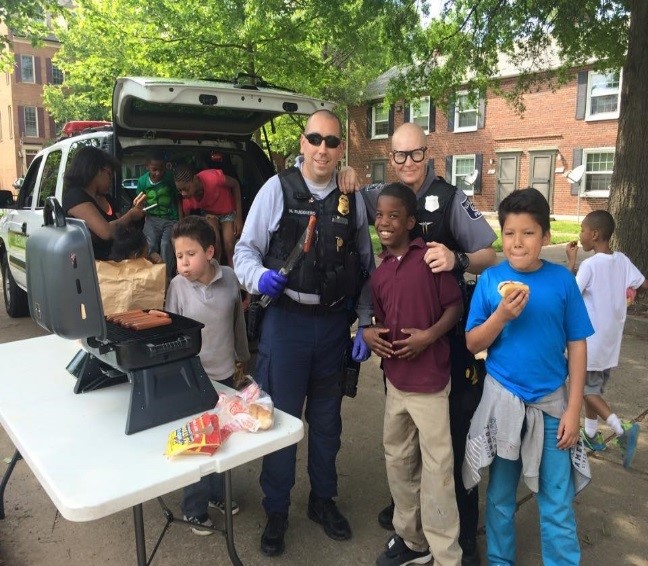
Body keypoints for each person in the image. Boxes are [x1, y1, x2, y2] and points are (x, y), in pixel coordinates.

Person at [343, 122, 496, 565]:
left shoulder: (450, 198)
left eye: (415, 154)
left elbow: (490, 253)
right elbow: (341, 186)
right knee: (403, 451)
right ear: (389, 158)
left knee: (449, 449)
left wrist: (458, 258)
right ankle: (413, 537)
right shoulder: (382, 197)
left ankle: (460, 545)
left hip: (446, 348)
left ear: (428, 154)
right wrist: (345, 173)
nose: (407, 163)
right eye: (398, 155)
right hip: (400, 360)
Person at [233, 109, 374, 557]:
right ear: (302, 143)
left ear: (340, 151)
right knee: (279, 419)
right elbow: (243, 251)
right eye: (315, 139)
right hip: (286, 324)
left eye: (332, 143)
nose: (323, 149)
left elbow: (369, 268)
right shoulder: (276, 190)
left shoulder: (353, 198)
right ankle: (277, 508)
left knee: (328, 424)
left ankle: (322, 499)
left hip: (334, 327)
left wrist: (365, 322)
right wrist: (258, 279)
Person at [462, 188, 594, 566]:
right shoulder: (490, 280)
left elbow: (578, 346)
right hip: (503, 401)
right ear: (501, 236)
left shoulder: (562, 282)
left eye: (528, 233)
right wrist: (501, 316)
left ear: (546, 237)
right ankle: (500, 560)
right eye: (509, 233)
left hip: (553, 406)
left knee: (556, 498)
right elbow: (472, 343)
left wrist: (574, 409)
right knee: (501, 495)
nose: (517, 242)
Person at [368, 182, 464, 566]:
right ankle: (412, 539)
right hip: (396, 384)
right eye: (380, 215)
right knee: (398, 461)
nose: (385, 222)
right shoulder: (380, 272)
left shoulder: (429, 260)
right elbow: (379, 317)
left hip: (430, 384)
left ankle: (446, 555)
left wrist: (428, 337)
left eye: (394, 215)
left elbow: (454, 308)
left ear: (410, 221)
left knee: (438, 470)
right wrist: (370, 333)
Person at [165, 215, 250, 535]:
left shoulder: (229, 277)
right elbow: (171, 332)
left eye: (190, 254)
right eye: (179, 256)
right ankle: (193, 508)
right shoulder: (176, 286)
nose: (184, 263)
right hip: (193, 379)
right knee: (198, 442)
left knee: (221, 438)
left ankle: (216, 495)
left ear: (210, 252)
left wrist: (243, 359)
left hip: (226, 375)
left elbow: (237, 321)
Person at [566, 210, 646, 468]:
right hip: (611, 343)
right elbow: (642, 283)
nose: (581, 235)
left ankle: (621, 428)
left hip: (590, 343)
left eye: (583, 231)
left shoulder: (589, 265)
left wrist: (570, 264)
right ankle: (590, 435)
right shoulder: (621, 260)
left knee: (586, 390)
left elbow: (570, 294)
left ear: (595, 234)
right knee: (594, 389)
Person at [62, 146, 146, 260]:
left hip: (118, 262)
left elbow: (122, 230)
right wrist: (130, 215)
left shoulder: (107, 198)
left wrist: (136, 214)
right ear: (96, 170)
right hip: (95, 267)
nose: (111, 181)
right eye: (109, 174)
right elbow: (106, 232)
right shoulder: (75, 197)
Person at [173, 164, 243, 268]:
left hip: (227, 211)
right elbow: (184, 222)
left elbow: (235, 184)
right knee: (214, 245)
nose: (183, 193)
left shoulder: (213, 178)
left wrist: (238, 217)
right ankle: (215, 273)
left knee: (229, 245)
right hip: (210, 214)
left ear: (195, 179)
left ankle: (234, 274)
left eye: (186, 189)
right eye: (180, 190)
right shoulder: (187, 199)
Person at [136, 150, 179, 278]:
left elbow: (178, 199)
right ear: (147, 166)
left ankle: (167, 277)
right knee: (150, 245)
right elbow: (139, 201)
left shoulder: (169, 178)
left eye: (161, 169)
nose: (158, 173)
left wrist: (179, 220)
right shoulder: (142, 181)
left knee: (166, 245)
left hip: (170, 219)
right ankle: (151, 275)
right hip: (151, 219)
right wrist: (141, 209)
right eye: (154, 169)